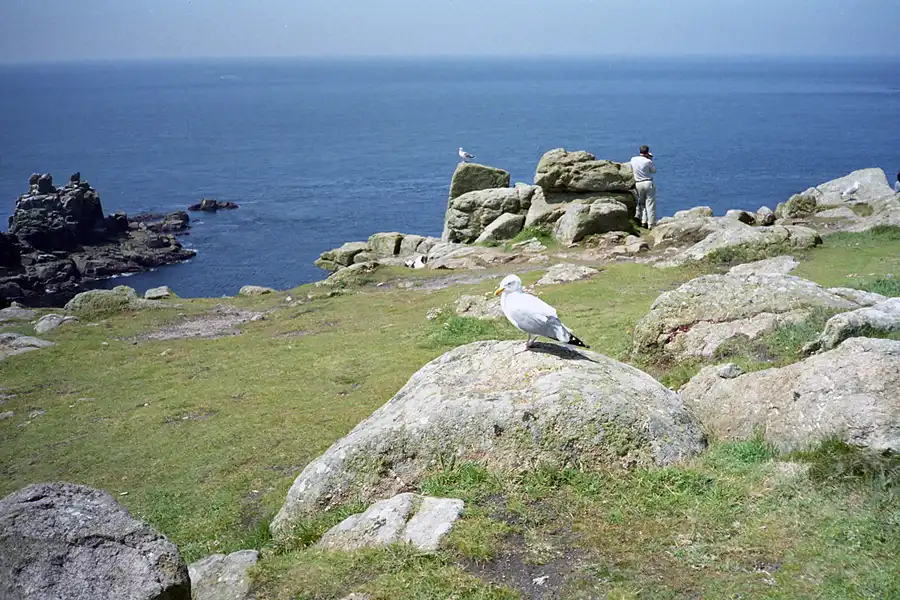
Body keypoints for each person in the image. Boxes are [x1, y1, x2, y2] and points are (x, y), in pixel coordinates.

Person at [630, 145, 657, 228]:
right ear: (647, 152)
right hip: (647, 183)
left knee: (641, 203)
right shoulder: (647, 161)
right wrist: (649, 159)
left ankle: (643, 221)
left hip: (638, 183)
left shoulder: (633, 159)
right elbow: (653, 171)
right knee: (650, 203)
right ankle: (651, 224)